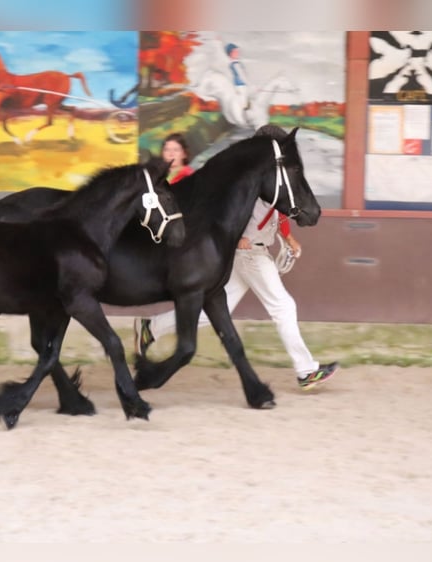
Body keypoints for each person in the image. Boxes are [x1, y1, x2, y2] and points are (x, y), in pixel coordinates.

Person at [134, 125, 338, 390]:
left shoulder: (268, 175)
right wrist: (240, 236)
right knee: (283, 307)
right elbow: (235, 209)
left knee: (219, 310)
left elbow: (275, 211)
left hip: (252, 250)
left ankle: (152, 328)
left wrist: (287, 238)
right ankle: (306, 370)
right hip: (251, 252)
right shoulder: (253, 176)